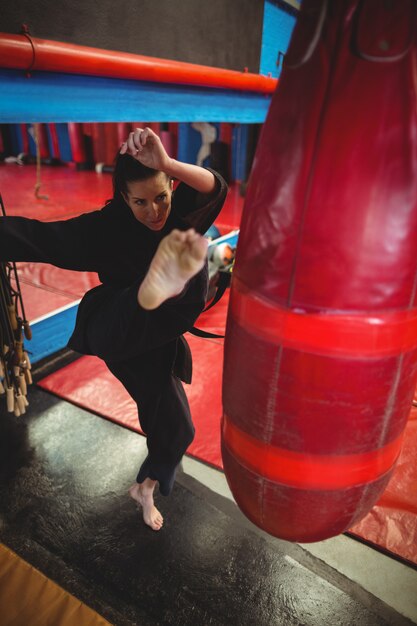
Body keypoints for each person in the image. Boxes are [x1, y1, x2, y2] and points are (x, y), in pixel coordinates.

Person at [0, 127, 228, 530]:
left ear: (171, 186)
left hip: (160, 335)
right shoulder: (105, 229)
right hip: (117, 328)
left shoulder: (175, 210)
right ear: (124, 198)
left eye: (161, 196)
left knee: (180, 430)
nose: (154, 211)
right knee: (149, 296)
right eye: (140, 202)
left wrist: (168, 163)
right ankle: (153, 288)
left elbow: (215, 189)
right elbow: (39, 238)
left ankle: (146, 486)